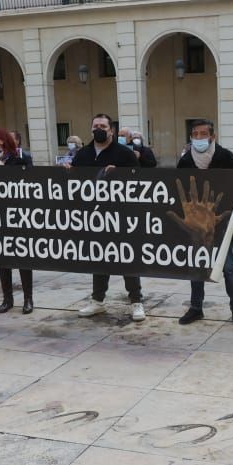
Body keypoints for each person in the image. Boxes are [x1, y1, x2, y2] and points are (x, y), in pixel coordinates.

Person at [177, 119, 233, 327]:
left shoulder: (225, 157)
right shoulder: (185, 161)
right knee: (196, 267)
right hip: (195, 225)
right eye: (196, 134)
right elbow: (176, 190)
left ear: (212, 136)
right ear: (191, 137)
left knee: (228, 267)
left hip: (221, 225)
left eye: (204, 134)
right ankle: (196, 308)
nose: (200, 138)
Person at [74, 112, 146, 322]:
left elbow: (139, 180)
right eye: (95, 125)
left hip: (121, 216)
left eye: (103, 126)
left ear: (111, 130)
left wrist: (121, 173)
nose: (99, 129)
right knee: (99, 258)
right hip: (94, 217)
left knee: (126, 258)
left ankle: (136, 301)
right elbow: (75, 183)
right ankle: (97, 301)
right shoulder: (83, 154)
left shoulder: (124, 153)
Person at [0, 126, 35, 314]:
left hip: (17, 215)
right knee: (2, 257)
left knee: (22, 257)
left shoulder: (18, 160)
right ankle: (7, 298)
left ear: (2, 140)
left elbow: (29, 182)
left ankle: (28, 298)